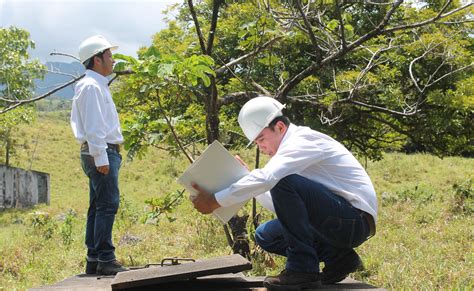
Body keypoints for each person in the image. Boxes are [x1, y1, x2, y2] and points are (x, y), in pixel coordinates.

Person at [191, 96, 377, 290]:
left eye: (261, 139)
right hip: (338, 222)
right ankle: (340, 259)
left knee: (282, 180)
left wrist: (215, 200)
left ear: (280, 127)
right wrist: (246, 178)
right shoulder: (288, 156)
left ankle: (302, 270)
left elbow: (269, 179)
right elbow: (281, 204)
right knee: (266, 235)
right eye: (256, 143)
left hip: (354, 221)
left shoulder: (303, 141)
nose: (261, 147)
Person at [70, 35, 128, 276]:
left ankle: (94, 258)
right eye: (109, 56)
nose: (113, 60)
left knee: (97, 206)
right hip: (100, 151)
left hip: (98, 151)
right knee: (107, 205)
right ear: (97, 59)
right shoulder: (92, 87)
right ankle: (105, 258)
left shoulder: (93, 85)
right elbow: (94, 126)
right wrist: (102, 157)